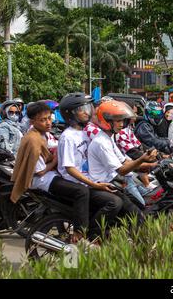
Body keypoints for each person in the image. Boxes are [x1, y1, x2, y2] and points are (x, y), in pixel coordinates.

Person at [11, 101, 95, 242]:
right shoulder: (33, 140)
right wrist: (56, 160)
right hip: (41, 180)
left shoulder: (43, 134)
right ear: (32, 121)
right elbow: (40, 172)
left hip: (50, 175)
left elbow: (53, 145)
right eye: (43, 120)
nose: (48, 122)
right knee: (82, 191)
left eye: (49, 118)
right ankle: (80, 232)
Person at [58, 93, 124, 237]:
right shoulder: (68, 137)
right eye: (82, 109)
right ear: (71, 114)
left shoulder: (83, 133)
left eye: (87, 108)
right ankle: (92, 235)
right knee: (114, 202)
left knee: (121, 196)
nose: (87, 112)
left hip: (90, 180)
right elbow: (69, 168)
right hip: (78, 182)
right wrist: (94, 185)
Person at [88, 100, 157, 210]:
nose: (121, 124)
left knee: (147, 202)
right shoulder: (101, 142)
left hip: (118, 181)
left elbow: (125, 161)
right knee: (138, 212)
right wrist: (143, 160)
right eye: (118, 121)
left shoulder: (108, 138)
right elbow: (122, 170)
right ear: (107, 121)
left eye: (123, 121)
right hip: (106, 184)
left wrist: (148, 163)